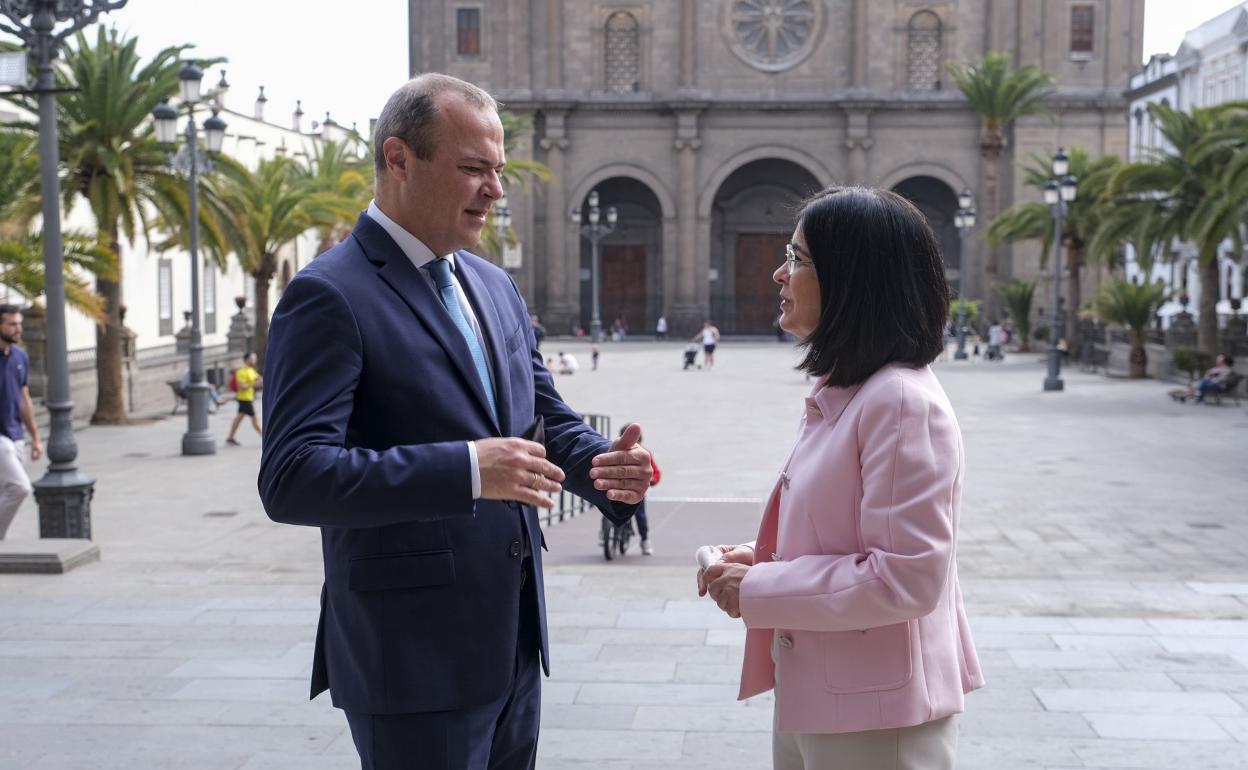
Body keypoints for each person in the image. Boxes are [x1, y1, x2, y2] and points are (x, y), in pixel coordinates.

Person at [257, 73, 653, 770]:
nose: (496, 190)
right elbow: (293, 477)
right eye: (474, 169)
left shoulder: (492, 284)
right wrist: (470, 470)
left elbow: (540, 414)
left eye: (498, 170)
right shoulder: (327, 295)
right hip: (410, 660)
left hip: (513, 644)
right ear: (399, 159)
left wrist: (601, 467)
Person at [697, 188, 983, 769]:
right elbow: (844, 537)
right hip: (824, 698)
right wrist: (758, 557)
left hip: (879, 720)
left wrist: (759, 588)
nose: (779, 273)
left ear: (855, 278)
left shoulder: (900, 402)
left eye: (798, 259)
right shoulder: (848, 389)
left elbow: (905, 577)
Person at [0, 305, 41, 540]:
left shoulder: (20, 356)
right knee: (20, 487)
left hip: (16, 437)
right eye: (12, 324)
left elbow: (24, 399)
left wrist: (35, 438)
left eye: (19, 323)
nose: (18, 328)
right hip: (0, 440)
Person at [224, 352, 262, 446]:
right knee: (255, 420)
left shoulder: (251, 370)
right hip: (244, 399)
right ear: (246, 359)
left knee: (238, 419)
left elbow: (259, 379)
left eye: (255, 358)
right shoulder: (241, 371)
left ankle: (230, 437)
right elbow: (241, 386)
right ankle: (266, 438)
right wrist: (254, 384)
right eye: (252, 358)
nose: (255, 360)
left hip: (248, 398)